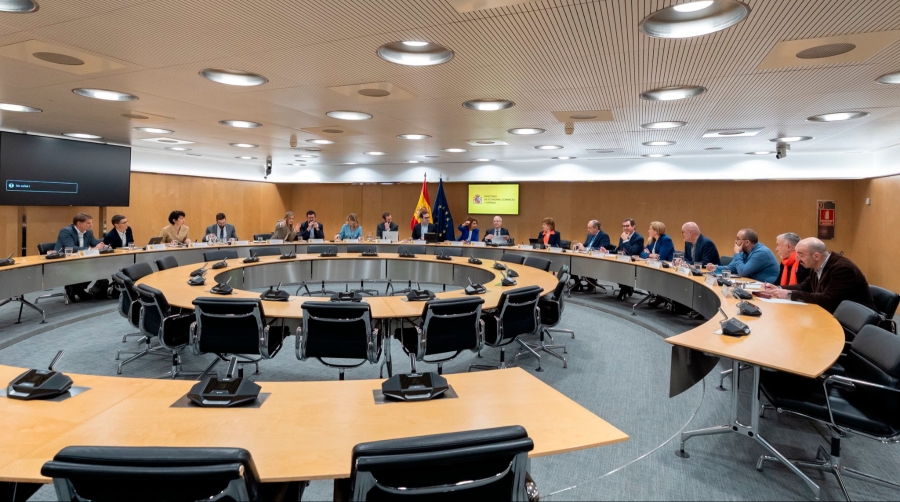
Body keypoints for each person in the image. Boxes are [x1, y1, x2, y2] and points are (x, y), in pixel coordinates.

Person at [764, 238, 875, 313]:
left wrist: (789, 294)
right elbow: (805, 287)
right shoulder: (817, 264)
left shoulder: (843, 269)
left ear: (816, 256)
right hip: (835, 312)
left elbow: (828, 300)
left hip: (853, 320)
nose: (797, 259)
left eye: (800, 255)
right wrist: (779, 288)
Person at [54, 213, 108, 302]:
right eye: (88, 223)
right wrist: (92, 249)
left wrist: (103, 246)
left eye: (91, 223)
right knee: (89, 268)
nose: (91, 225)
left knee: (99, 266)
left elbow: (94, 243)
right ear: (79, 224)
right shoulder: (65, 231)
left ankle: (76, 289)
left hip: (83, 259)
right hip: (66, 259)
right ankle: (75, 288)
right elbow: (71, 248)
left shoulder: (89, 232)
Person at [708, 228, 779, 283]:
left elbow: (743, 272)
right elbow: (732, 268)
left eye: (738, 239)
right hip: (753, 285)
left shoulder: (761, 252)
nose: (735, 242)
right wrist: (715, 268)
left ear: (747, 242)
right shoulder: (743, 251)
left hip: (767, 289)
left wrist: (737, 253)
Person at [571, 220, 611, 293]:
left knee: (581, 264)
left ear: (595, 228)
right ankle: (577, 282)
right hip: (586, 257)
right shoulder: (589, 235)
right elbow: (586, 245)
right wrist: (579, 246)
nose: (588, 230)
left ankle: (591, 282)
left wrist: (586, 249)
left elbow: (602, 249)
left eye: (589, 228)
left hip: (597, 260)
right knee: (571, 262)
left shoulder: (604, 236)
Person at [615, 218, 644, 300]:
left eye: (627, 226)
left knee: (623, 270)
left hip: (633, 264)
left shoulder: (638, 238)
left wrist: (626, 240)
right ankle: (626, 288)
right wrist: (607, 251)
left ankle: (624, 289)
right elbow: (618, 250)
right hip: (622, 261)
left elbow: (632, 252)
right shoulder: (623, 236)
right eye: (623, 226)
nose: (625, 228)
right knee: (613, 268)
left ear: (633, 226)